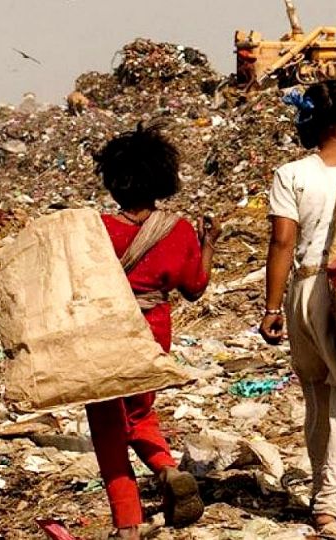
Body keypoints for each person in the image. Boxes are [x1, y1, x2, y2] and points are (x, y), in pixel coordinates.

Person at [88, 123, 220, 540]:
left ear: (113, 180)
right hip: (154, 331)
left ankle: (127, 521)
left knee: (108, 422)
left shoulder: (97, 230)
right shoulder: (178, 230)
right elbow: (195, 288)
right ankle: (166, 469)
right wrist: (208, 244)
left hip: (109, 331)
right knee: (140, 412)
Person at [260, 80, 336, 533]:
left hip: (305, 290)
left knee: (316, 391)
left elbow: (283, 242)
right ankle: (330, 502)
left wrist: (272, 308)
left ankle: (318, 489)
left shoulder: (293, 173)